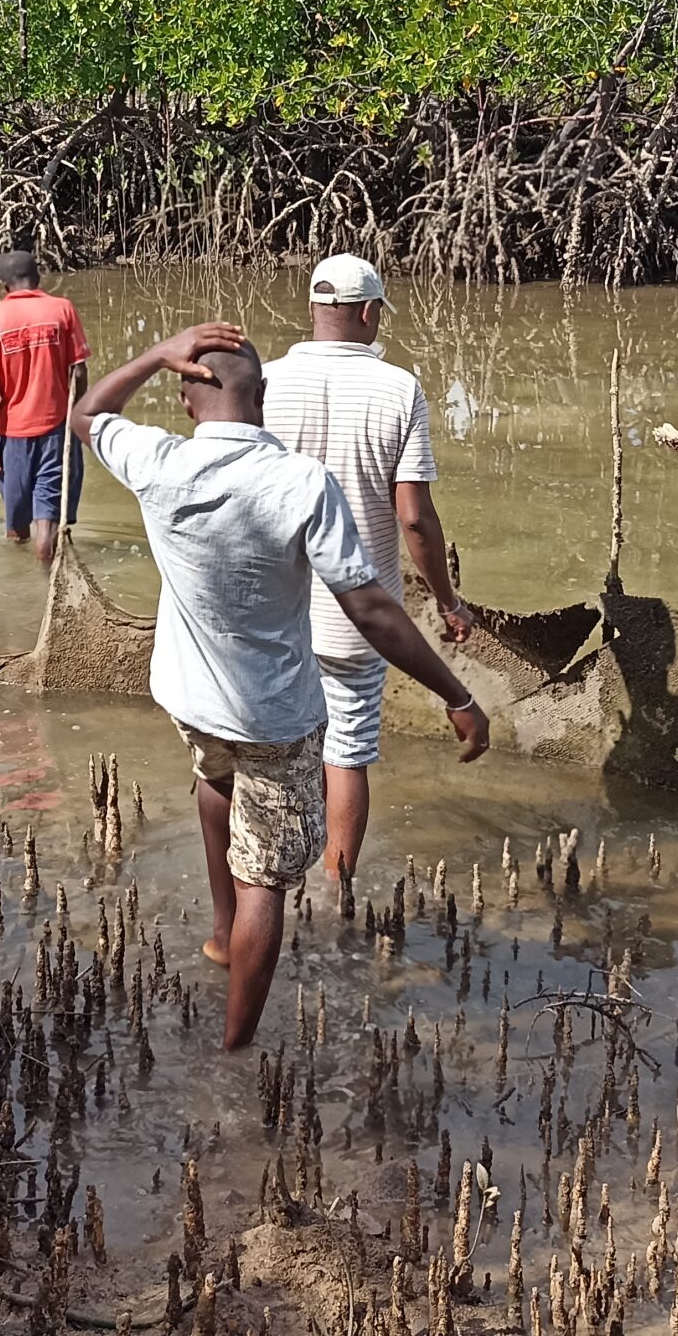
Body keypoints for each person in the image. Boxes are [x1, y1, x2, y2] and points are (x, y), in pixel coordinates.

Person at [74, 321, 488, 1050]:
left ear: (185, 399)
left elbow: (85, 416)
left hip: (189, 700)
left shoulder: (158, 461)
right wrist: (456, 694)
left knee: (215, 777)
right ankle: (236, 1050)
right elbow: (370, 609)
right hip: (275, 720)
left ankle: (221, 936)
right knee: (263, 880)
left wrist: (154, 354)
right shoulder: (300, 483)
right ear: (262, 395)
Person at [263, 252, 476, 888]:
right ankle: (337, 890)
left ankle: (264, 884)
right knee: (347, 752)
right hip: (357, 620)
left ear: (312, 308)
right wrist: (447, 601)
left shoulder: (265, 382)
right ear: (368, 312)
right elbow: (414, 517)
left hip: (274, 612)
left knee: (271, 746)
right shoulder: (398, 389)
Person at [0, 249, 89, 565]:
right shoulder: (62, 310)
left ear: (3, 285)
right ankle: (46, 580)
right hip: (57, 431)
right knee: (47, 523)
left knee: (16, 528)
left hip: (12, 436)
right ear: (38, 278)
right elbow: (79, 372)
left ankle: (18, 583)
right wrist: (76, 417)